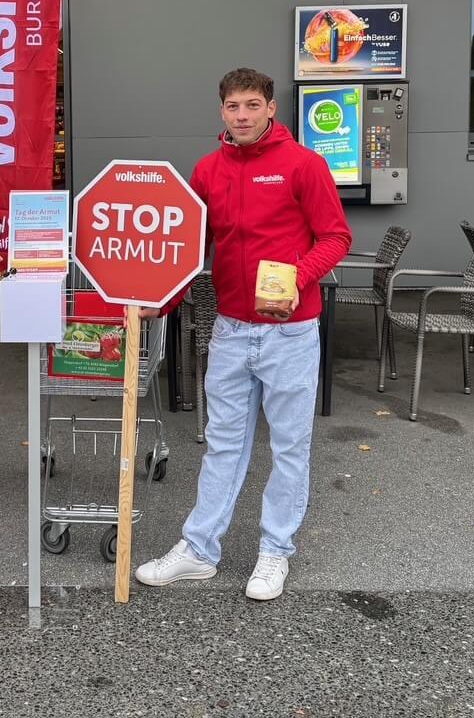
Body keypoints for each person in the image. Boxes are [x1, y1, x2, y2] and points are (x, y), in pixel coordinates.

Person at [135, 67, 350, 601]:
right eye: (233, 106)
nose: (243, 115)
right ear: (221, 112)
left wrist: (297, 277)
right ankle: (200, 551)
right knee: (223, 446)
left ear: (272, 108)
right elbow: (188, 248)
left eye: (253, 105)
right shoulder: (208, 170)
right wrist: (158, 300)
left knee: (290, 448)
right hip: (230, 330)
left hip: (290, 333)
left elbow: (336, 237)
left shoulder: (304, 164)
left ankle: (275, 552)